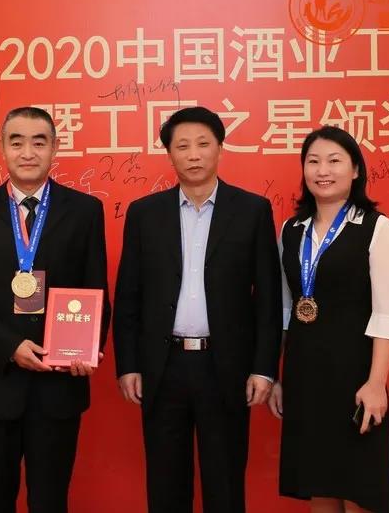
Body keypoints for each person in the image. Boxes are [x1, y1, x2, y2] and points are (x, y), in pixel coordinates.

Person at [113, 106, 283, 513]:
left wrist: (264, 368)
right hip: (163, 366)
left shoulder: (252, 211)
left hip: (225, 367)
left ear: (220, 148)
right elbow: (129, 295)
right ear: (169, 153)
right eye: (182, 146)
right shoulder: (144, 214)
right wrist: (128, 364)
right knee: (166, 487)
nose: (194, 154)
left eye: (203, 144)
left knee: (224, 486)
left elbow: (268, 298)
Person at [0, 106, 111, 513]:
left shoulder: (84, 211)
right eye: (16, 142)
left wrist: (87, 349)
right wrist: (10, 346)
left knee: (51, 502)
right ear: (2, 148)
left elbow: (96, 288)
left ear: (55, 148)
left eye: (39, 142)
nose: (28, 152)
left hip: (58, 387)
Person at [267, 126, 389, 513]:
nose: (322, 171)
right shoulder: (291, 230)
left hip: (355, 378)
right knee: (320, 486)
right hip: (305, 377)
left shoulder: (377, 228)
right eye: (313, 162)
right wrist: (277, 376)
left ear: (356, 169)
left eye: (334, 161)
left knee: (360, 489)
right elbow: (285, 310)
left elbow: (386, 315)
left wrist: (376, 384)